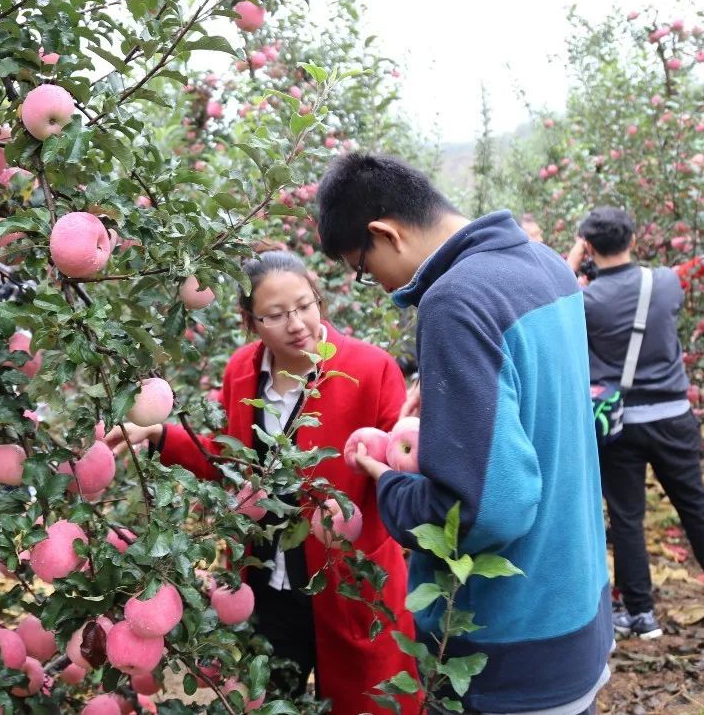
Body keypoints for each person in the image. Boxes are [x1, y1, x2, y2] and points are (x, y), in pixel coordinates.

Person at [315, 152, 612, 715]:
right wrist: (454, 395)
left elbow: (482, 512)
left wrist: (387, 484)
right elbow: (541, 397)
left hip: (507, 645)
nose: (372, 283)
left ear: (385, 233)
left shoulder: (456, 300)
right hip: (575, 611)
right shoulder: (544, 264)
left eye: (362, 266)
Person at [105, 250, 420, 715]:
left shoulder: (370, 370)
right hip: (266, 580)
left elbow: (401, 462)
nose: (297, 324)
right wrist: (160, 434)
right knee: (274, 699)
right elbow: (230, 460)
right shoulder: (242, 371)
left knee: (365, 701)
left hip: (346, 580)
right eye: (275, 315)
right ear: (250, 322)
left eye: (305, 305)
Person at [567, 208, 704, 638]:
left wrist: (571, 264)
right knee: (695, 505)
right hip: (673, 418)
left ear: (588, 246)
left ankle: (641, 614)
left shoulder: (584, 302)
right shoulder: (664, 282)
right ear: (632, 239)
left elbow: (555, 304)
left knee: (627, 517)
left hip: (619, 423)